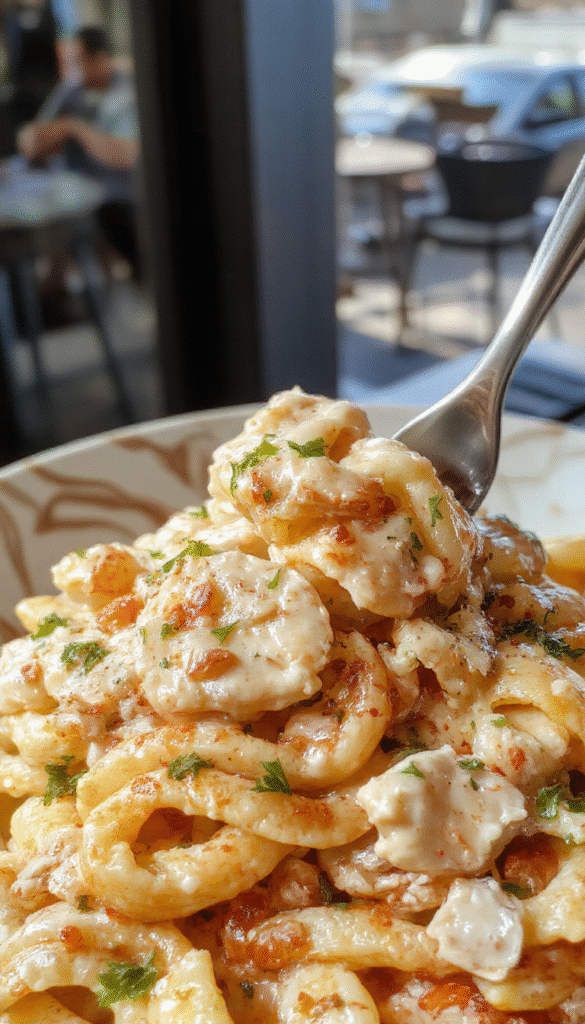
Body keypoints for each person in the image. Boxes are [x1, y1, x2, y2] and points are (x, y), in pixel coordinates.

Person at [16, 24, 140, 277]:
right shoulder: (70, 91)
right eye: (68, 61)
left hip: (119, 199)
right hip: (72, 197)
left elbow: (124, 155)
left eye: (77, 60)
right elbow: (30, 140)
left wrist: (74, 128)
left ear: (100, 59)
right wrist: (39, 139)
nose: (72, 69)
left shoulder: (127, 90)